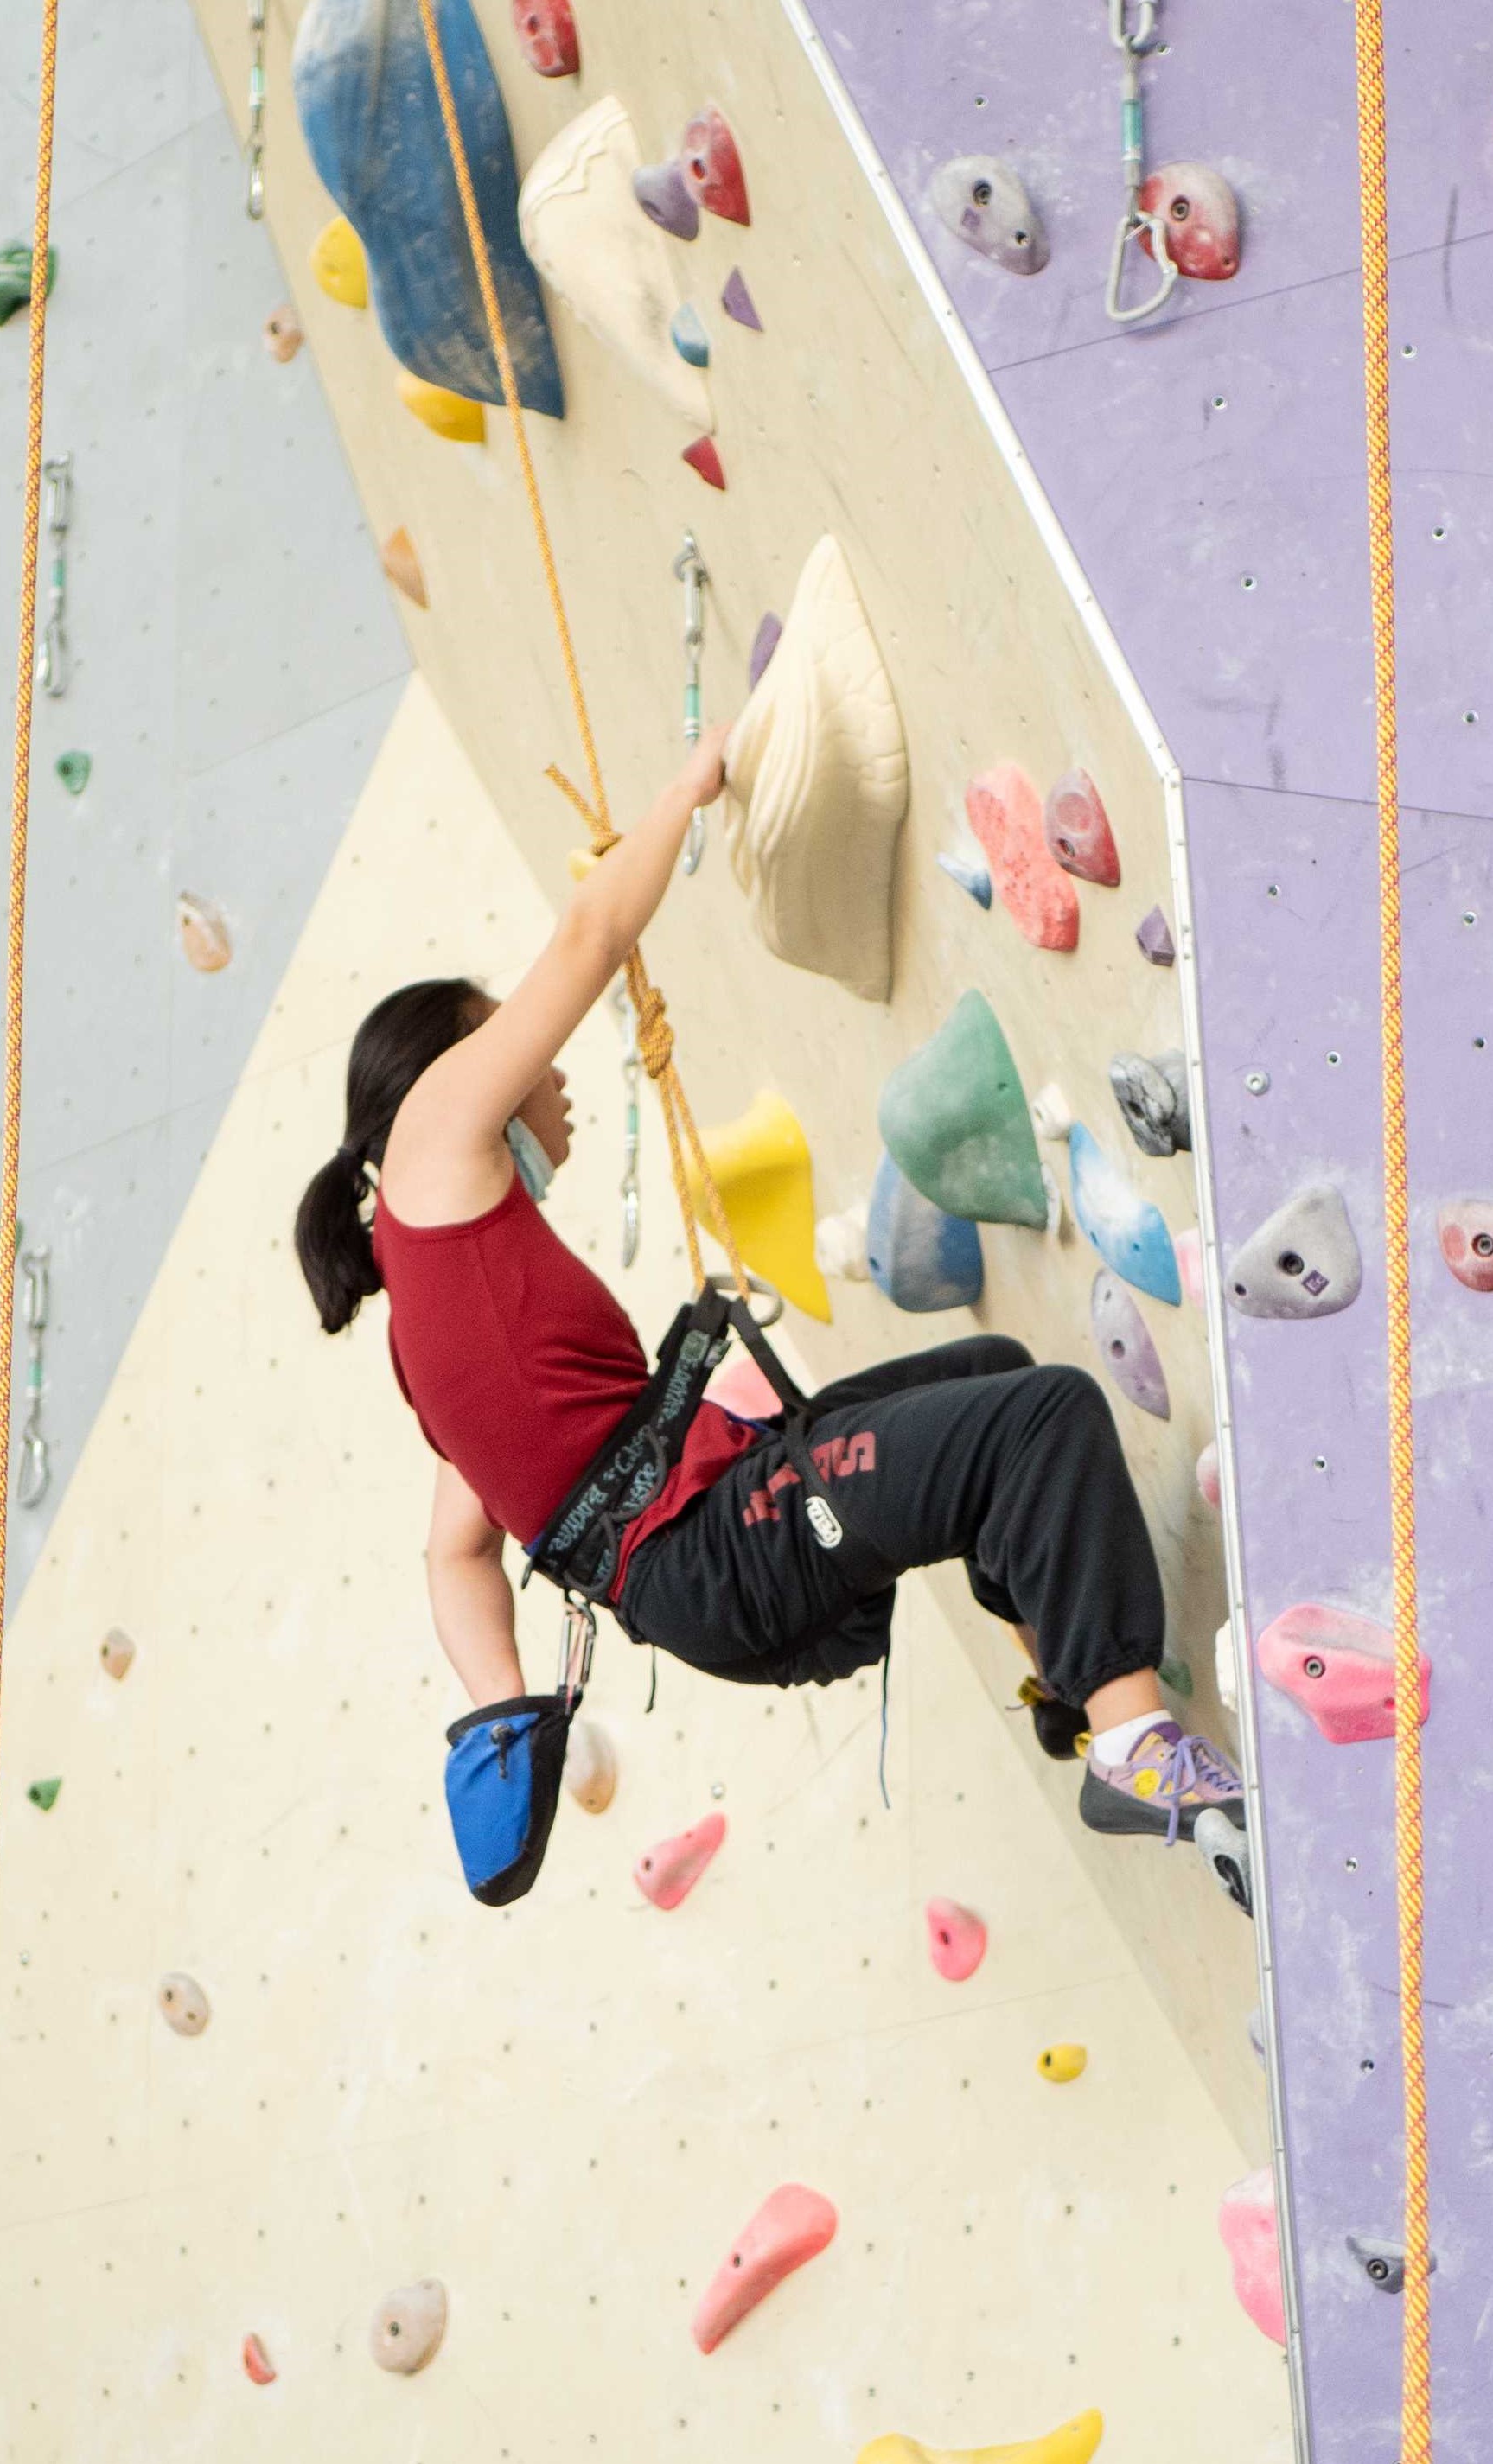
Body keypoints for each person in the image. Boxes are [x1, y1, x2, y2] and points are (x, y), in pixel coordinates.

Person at [287, 741, 1251, 1909]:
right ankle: (1128, 1741)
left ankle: (1070, 1684)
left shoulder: (427, 1324)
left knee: (990, 1374)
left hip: (699, 1554)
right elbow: (588, 941)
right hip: (712, 1542)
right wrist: (685, 790)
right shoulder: (432, 1131)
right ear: (457, 1070)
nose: (551, 1078)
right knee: (1038, 1421)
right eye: (515, 1050)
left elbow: (455, 1550)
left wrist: (500, 1715)